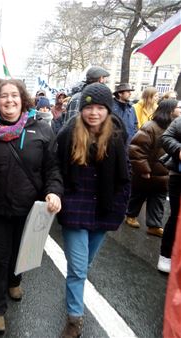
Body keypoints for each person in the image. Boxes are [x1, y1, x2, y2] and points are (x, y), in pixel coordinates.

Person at [0, 79, 63, 334]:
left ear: (23, 99)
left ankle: (15, 280)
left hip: (31, 209)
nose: (9, 100)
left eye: (14, 95)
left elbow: (53, 168)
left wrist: (53, 192)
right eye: (3, 96)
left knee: (22, 251)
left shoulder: (42, 129)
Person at [56, 83, 130, 338]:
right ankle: (74, 319)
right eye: (89, 107)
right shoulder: (68, 134)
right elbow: (56, 168)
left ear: (108, 110)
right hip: (75, 208)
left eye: (100, 108)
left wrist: (120, 209)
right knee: (78, 268)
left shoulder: (117, 136)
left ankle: (71, 295)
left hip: (105, 209)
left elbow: (124, 177)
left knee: (83, 266)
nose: (94, 113)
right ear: (82, 109)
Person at [126, 99, 180, 238]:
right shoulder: (150, 127)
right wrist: (144, 169)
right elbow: (136, 150)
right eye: (178, 107)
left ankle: (154, 225)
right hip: (147, 173)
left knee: (158, 199)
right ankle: (130, 215)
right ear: (169, 110)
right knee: (138, 195)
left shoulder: (175, 129)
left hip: (164, 175)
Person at [158, 107, 181, 273]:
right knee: (176, 215)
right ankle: (166, 255)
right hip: (179, 175)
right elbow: (166, 137)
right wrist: (179, 150)